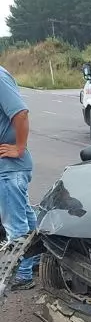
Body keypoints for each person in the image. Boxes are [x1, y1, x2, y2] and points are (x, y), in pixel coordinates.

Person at [0, 65, 38, 290]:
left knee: (15, 224)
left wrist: (19, 147)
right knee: (25, 217)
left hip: (9, 168)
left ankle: (21, 274)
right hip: (12, 169)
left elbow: (20, 113)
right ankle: (34, 260)